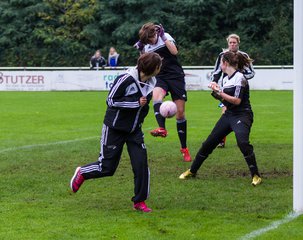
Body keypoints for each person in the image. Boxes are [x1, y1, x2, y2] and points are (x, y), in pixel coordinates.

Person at [70, 52, 162, 213]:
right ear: (152, 68)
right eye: (159, 66)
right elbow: (110, 100)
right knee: (107, 168)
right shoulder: (126, 79)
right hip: (114, 128)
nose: (160, 68)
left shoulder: (152, 82)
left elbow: (148, 104)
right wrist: (134, 103)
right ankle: (83, 172)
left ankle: (139, 201)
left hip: (134, 130)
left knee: (141, 165)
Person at [179, 51, 262, 186]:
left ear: (225, 63)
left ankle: (256, 175)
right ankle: (192, 171)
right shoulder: (225, 78)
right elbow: (226, 101)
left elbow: (236, 101)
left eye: (220, 63)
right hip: (229, 115)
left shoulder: (240, 78)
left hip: (242, 115)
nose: (219, 66)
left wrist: (220, 92)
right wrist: (216, 92)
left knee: (242, 143)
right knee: (208, 143)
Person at [133, 22, 192, 162]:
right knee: (156, 96)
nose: (152, 41)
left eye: (153, 37)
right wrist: (141, 51)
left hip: (176, 76)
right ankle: (162, 128)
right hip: (160, 76)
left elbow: (175, 52)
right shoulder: (146, 46)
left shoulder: (164, 36)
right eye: (148, 40)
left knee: (180, 113)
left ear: (155, 33)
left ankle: (184, 148)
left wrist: (164, 37)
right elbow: (144, 64)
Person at [210, 34, 255, 148]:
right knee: (225, 111)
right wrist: (214, 82)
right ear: (228, 43)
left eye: (234, 42)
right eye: (230, 42)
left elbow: (251, 73)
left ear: (238, 43)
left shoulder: (243, 55)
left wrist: (239, 76)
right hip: (226, 89)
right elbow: (216, 71)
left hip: (240, 88)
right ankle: (222, 140)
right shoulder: (222, 55)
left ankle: (241, 137)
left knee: (238, 111)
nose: (232, 44)